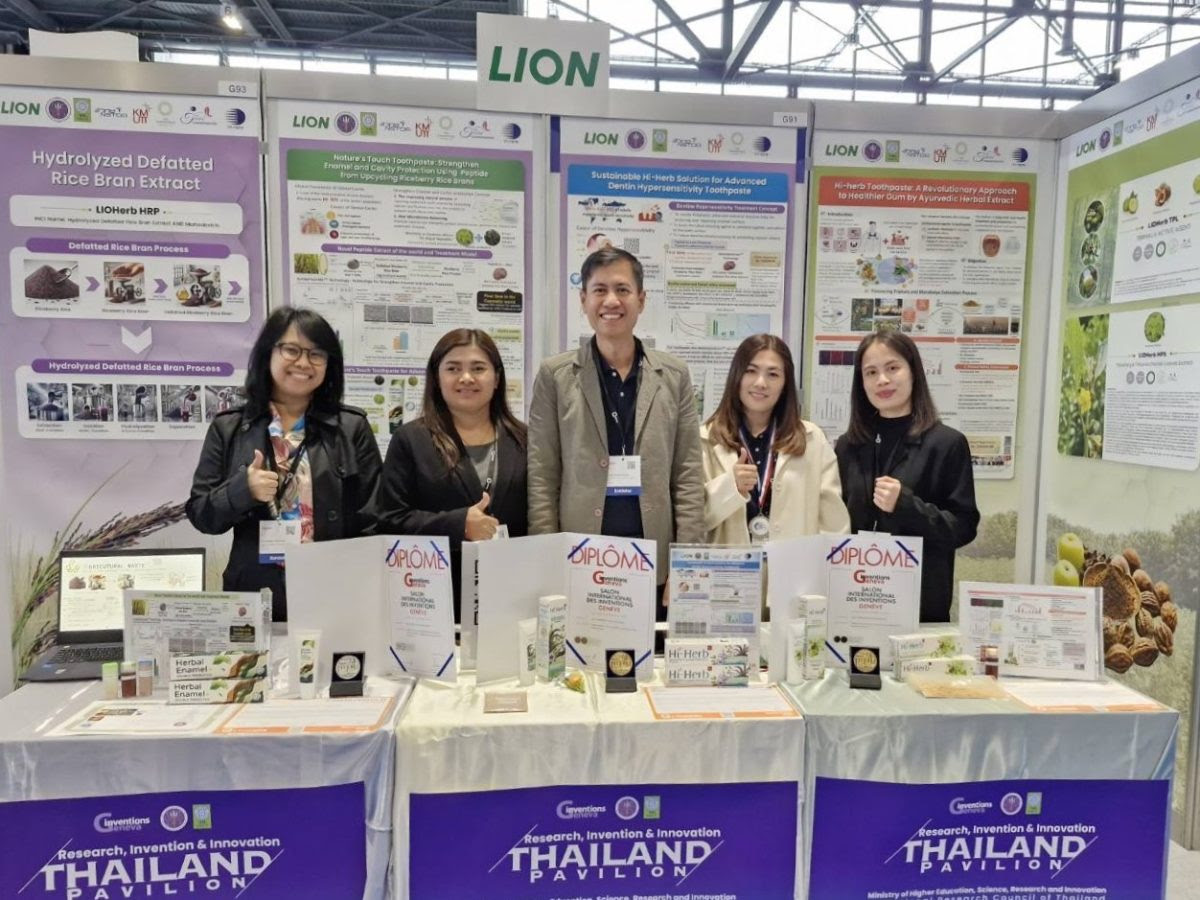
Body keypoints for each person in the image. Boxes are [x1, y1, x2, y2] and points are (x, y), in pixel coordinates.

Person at [528, 247, 704, 614]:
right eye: (600, 290)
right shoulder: (555, 376)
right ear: (583, 299)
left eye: (622, 290)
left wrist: (687, 564)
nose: (611, 301)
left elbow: (687, 475)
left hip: (653, 560)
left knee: (650, 651)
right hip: (580, 558)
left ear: (641, 299)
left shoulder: (673, 376)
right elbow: (542, 475)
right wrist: (546, 562)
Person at [186, 307, 381, 622]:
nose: (303, 362)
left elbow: (374, 519)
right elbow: (202, 515)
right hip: (255, 594)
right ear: (268, 353)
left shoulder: (350, 427)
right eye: (292, 350)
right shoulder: (230, 427)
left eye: (316, 354)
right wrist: (242, 490)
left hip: (334, 591)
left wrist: (362, 585)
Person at [370, 328, 527, 622]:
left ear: (496, 378)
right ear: (437, 377)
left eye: (478, 368)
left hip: (510, 594)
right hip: (433, 598)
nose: (466, 378)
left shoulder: (525, 440)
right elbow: (390, 520)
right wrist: (459, 524)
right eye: (453, 369)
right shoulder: (411, 440)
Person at [834, 331, 978, 622]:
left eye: (892, 368)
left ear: (914, 371)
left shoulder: (946, 443)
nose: (882, 380)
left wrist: (907, 506)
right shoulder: (848, 446)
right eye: (871, 372)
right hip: (856, 603)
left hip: (920, 607)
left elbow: (963, 528)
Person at [701, 335, 849, 544]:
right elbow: (691, 520)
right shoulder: (705, 439)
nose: (761, 383)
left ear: (785, 383)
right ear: (736, 376)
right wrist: (730, 487)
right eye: (751, 371)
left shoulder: (812, 439)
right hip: (727, 564)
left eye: (773, 374)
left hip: (794, 563)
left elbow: (833, 525)